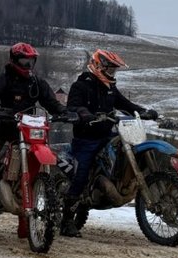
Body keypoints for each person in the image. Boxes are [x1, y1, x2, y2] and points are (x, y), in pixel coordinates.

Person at [61, 49, 159, 237]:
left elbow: (125, 104)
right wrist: (84, 114)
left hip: (107, 134)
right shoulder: (80, 86)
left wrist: (144, 111)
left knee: (125, 151)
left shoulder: (110, 88)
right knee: (80, 175)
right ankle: (66, 220)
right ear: (98, 65)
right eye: (110, 69)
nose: (113, 73)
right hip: (86, 139)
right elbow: (73, 106)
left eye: (115, 70)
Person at [0, 42, 70, 179]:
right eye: (24, 61)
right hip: (6, 122)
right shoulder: (5, 79)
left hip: (29, 126)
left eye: (31, 62)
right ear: (14, 60)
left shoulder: (37, 82)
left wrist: (64, 111)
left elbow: (51, 103)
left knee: (45, 145)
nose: (28, 65)